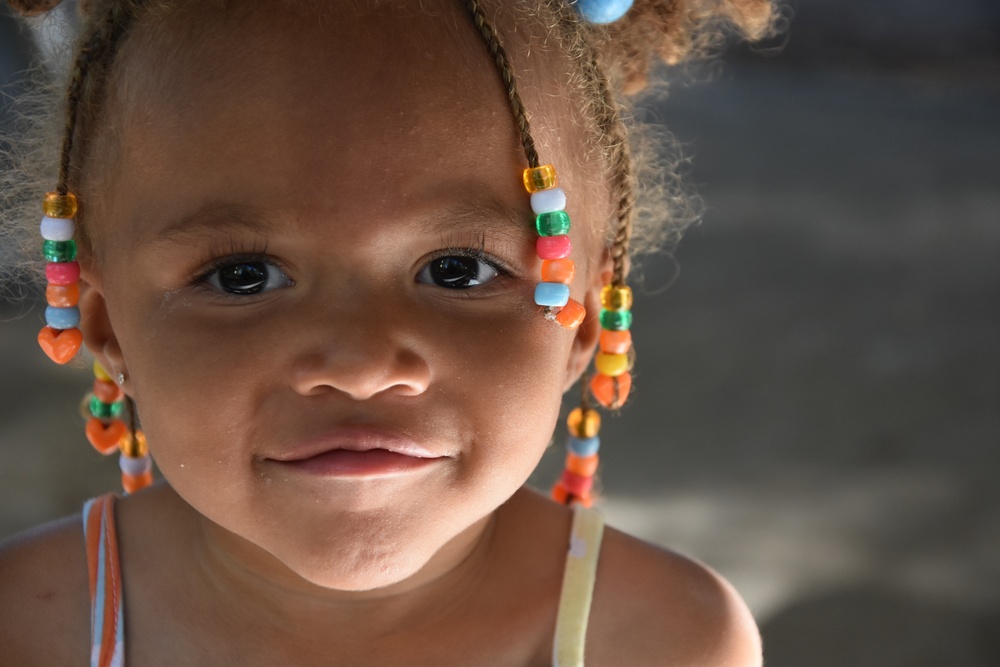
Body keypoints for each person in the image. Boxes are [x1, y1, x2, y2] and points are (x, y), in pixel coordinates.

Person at [0, 0, 774, 664]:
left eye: (458, 270)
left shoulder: (666, 642)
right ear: (107, 326)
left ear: (587, 318)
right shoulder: (27, 630)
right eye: (243, 275)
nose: (363, 364)